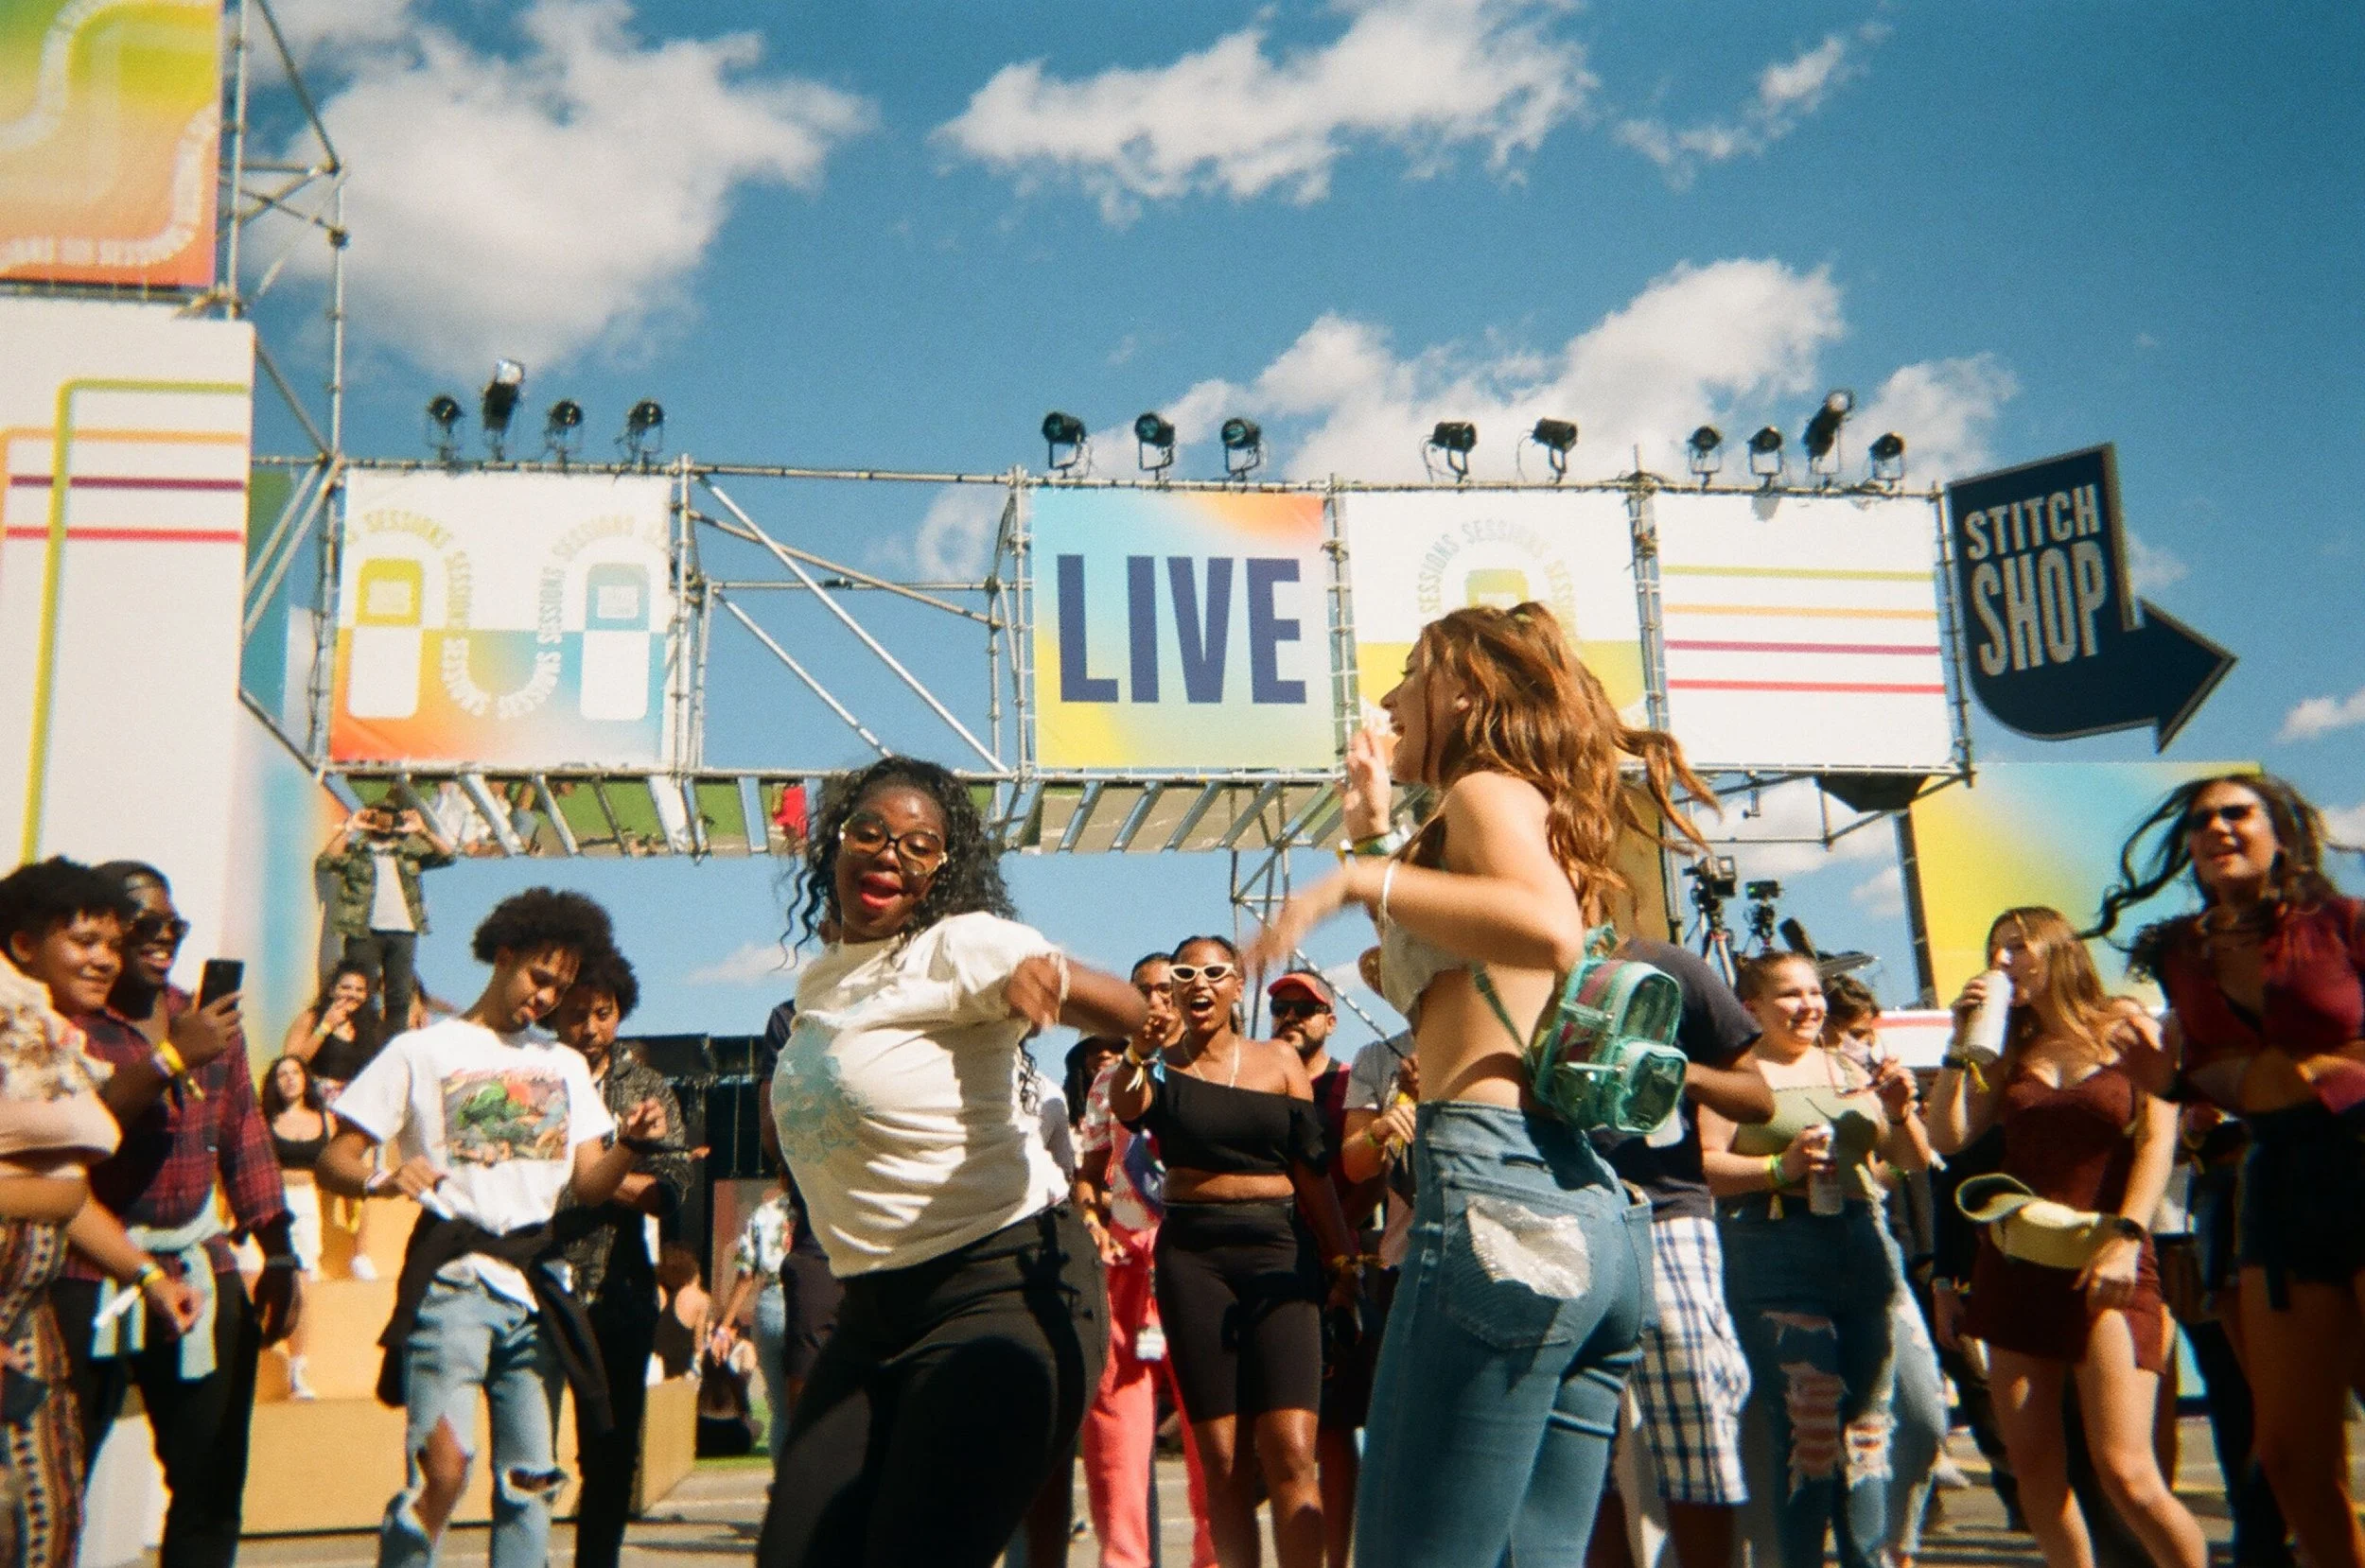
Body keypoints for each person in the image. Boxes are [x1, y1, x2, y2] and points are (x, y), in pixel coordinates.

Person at [1244, 601, 1711, 1568]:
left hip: (1496, 1198)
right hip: (1583, 1213)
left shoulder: (1485, 790)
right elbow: (1452, 967)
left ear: (1463, 688)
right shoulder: (1528, 811)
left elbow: (1541, 928)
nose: (1388, 698)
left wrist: (1350, 882)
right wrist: (1371, 835)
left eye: (1410, 671)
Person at [756, 756, 1146, 1568]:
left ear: (942, 870)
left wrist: (1050, 979)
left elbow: (1127, 1008)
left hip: (1001, 1291)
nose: (889, 853)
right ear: (836, 842)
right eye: (869, 832)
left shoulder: (961, 944)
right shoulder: (826, 983)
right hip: (873, 1310)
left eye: (919, 845)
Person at [315, 888, 668, 1568]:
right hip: (452, 1286)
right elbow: (336, 1158)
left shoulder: (562, 1065)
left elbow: (589, 1184)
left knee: (530, 1485)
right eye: (540, 977)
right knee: (441, 1473)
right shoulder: (421, 1051)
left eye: (560, 987)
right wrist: (382, 1179)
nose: (547, 998)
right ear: (504, 955)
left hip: (539, 1291)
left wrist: (630, 1145)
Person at [2088, 774, 2365, 1567]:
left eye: (2237, 812)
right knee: (2289, 1456)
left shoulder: (2343, 924)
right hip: (2274, 1181)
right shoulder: (2181, 953)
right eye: (2202, 819)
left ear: (2281, 830)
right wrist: (2168, 1083)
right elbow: (2215, 1076)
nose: (2217, 827)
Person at [1922, 908, 2203, 1568]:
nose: (2002, 963)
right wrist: (1960, 1041)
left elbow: (2157, 1141)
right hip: (2016, 1265)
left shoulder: (2124, 1024)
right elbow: (1947, 1138)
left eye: (2016, 947)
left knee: (2127, 1471)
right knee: (2036, 1472)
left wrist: (2128, 1237)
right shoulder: (2008, 1047)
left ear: (2057, 949)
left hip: (2109, 1256)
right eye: (1995, 951)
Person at [55, 861, 300, 1568]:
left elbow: (245, 1131)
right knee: (59, 1480)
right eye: (145, 925)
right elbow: (85, 1130)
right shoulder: (68, 1023)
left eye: (175, 926)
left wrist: (278, 1253)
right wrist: (168, 1058)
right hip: (87, 1270)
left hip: (198, 1264)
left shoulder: (205, 1019)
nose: (164, 938)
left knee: (211, 1487)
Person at [1106, 936, 1356, 1568]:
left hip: (1279, 1253)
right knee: (1222, 1460)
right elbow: (1128, 1107)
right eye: (1185, 973)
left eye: (1215, 972)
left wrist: (1343, 1260)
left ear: (1237, 986)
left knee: (1292, 1450)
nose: (1200, 983)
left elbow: (1313, 1172)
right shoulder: (1159, 1064)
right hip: (1195, 1260)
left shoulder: (1279, 1061)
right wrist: (1138, 1050)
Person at [0, 860, 203, 1568]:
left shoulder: (51, 1036)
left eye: (112, 945)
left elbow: (65, 1191)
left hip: (25, 1314)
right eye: (84, 942)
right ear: (24, 945)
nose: (105, 960)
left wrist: (147, 1278)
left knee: (47, 1519)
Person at [1698, 950, 1930, 1568]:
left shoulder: (1850, 1067)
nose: (1809, 1005)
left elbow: (1910, 1160)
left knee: (1871, 1431)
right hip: (1775, 1249)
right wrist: (1781, 1167)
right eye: (1790, 994)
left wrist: (1901, 1111)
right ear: (1751, 1007)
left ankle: (1867, 1559)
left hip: (1862, 1245)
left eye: (1814, 992)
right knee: (1810, 1431)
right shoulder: (1734, 1075)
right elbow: (1705, 1166)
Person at [1582, 940, 1775, 1568]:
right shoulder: (1505, 970)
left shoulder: (1666, 967)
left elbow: (1757, 1098)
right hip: (1559, 1219)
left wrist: (1677, 1070)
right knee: (1578, 1448)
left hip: (1665, 1215)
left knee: (1697, 1421)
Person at [549, 948, 692, 1568]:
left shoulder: (648, 1088)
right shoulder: (532, 1078)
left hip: (620, 1288)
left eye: (602, 1014)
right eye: (575, 1014)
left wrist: (592, 1174)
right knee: (527, 1452)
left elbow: (669, 1191)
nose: (589, 1028)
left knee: (610, 1451)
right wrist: (614, 1168)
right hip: (537, 1279)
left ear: (620, 1012)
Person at [1078, 957, 1219, 1568]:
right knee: (1116, 1440)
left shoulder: (1213, 1073)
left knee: (1212, 1438)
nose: (1158, 1002)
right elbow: (1089, 1175)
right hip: (1126, 1270)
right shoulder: (1108, 1082)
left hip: (1198, 1264)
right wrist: (1091, 1221)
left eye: (1168, 990)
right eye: (1145, 992)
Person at [1823, 975, 1953, 1567]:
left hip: (1879, 1251)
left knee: (1924, 1419)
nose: (1866, 1043)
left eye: (1870, 1031)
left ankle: (1898, 1547)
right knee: (1839, 1430)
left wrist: (1897, 1112)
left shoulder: (1875, 1081)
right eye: (1856, 1032)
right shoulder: (1789, 1074)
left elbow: (1914, 1163)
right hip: (1799, 1257)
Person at [1268, 967, 1374, 1568]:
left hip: (1339, 1269)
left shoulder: (1349, 1084)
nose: (1290, 1017)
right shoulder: (1258, 1079)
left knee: (1333, 1428)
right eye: (1280, 1007)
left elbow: (1370, 1178)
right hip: (1272, 1265)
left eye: (1304, 1009)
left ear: (1330, 1021)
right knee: (1282, 1429)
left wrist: (1339, 1245)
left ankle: (1338, 1558)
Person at [759, 1002, 845, 1420]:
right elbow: (772, 1131)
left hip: (908, 1242)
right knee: (806, 1414)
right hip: (822, 1238)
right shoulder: (791, 1017)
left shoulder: (909, 995)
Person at [316, 801, 457, 1033]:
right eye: (378, 817)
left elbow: (449, 856)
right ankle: (361, 1041)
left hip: (404, 931)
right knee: (362, 992)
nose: (384, 823)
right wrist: (351, 828)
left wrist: (422, 830)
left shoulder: (408, 853)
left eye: (390, 817)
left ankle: (393, 1043)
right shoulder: (356, 852)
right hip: (363, 930)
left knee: (399, 995)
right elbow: (326, 862)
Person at [260, 1054, 333, 1399]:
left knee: (300, 1288)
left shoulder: (325, 1119)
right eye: (282, 1074)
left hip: (306, 1201)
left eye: (295, 1072)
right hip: (272, 1200)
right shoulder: (265, 1120)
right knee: (256, 1281)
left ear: (306, 1079)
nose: (289, 1079)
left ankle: (297, 1370)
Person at [713, 1177, 797, 1455]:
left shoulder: (764, 1213)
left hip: (771, 1301)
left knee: (780, 1409)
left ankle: (782, 1475)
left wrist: (724, 1326)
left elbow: (745, 1274)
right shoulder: (821, 1208)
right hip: (813, 1298)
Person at [285, 961, 393, 1096]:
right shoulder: (312, 1018)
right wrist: (325, 1027)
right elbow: (291, 1064)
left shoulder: (374, 1026)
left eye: (359, 990)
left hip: (356, 1101)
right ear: (332, 991)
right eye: (346, 988)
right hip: (316, 1100)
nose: (352, 994)